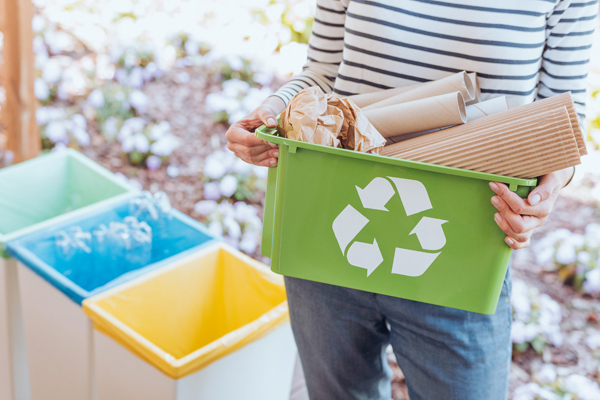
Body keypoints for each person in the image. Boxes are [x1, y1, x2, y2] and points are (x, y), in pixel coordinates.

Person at [226, 1, 598, 399]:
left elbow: (563, 115)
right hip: (330, 225)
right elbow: (322, 73)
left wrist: (549, 189)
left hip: (464, 247)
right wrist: (272, 111)